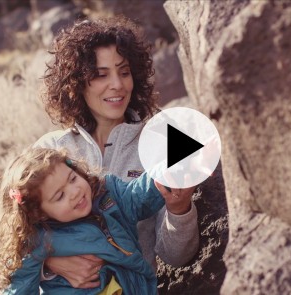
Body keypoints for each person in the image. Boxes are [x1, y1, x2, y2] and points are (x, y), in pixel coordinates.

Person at [34, 15, 199, 289]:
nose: (118, 85)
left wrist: (179, 209)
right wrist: (50, 263)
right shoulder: (50, 149)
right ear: (76, 83)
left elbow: (175, 256)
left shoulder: (160, 145)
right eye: (100, 75)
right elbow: (13, 232)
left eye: (124, 72)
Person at [0, 148, 191, 294]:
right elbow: (18, 287)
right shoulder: (37, 241)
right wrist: (39, 262)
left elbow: (139, 196)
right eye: (59, 196)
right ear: (38, 213)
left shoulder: (108, 195)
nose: (74, 192)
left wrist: (168, 170)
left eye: (73, 179)